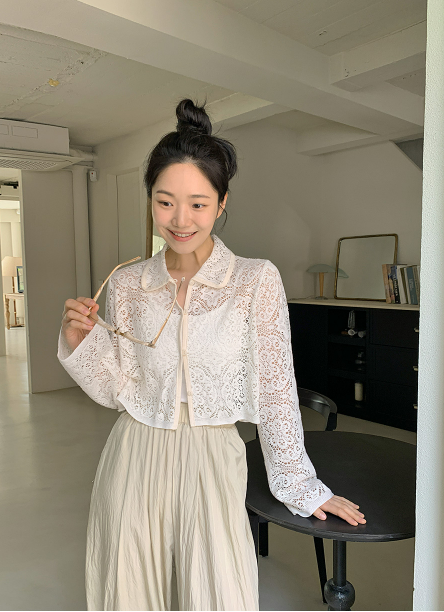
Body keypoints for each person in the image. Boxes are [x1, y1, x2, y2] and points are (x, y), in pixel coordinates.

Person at [57, 98, 366, 612]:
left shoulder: (254, 280)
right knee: (129, 589)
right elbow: (118, 389)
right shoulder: (129, 283)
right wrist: (80, 343)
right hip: (134, 455)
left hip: (213, 457)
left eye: (198, 204)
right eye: (165, 202)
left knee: (218, 591)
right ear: (150, 200)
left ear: (221, 204)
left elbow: (276, 391)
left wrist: (301, 486)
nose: (180, 220)